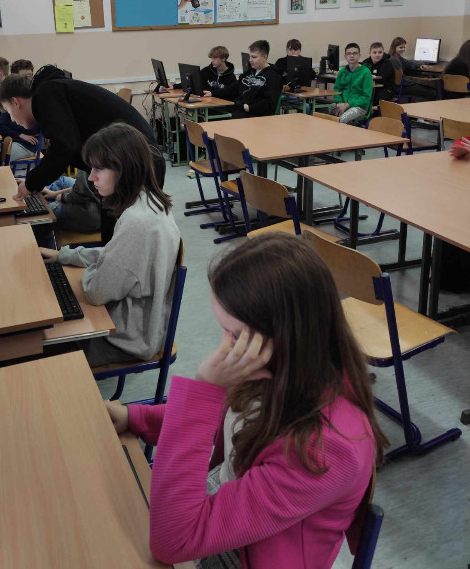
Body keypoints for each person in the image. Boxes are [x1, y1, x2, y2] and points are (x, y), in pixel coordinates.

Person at [105, 233, 386, 569]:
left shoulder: (326, 447)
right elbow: (222, 419)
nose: (226, 347)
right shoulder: (278, 369)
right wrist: (135, 417)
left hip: (252, 555)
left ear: (287, 337)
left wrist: (203, 388)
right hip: (226, 500)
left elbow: (174, 541)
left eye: (235, 335)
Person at [40, 123, 180, 365]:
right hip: (133, 325)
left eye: (99, 169)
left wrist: (90, 271)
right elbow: (115, 255)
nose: (91, 177)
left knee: (31, 346)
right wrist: (64, 256)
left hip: (125, 340)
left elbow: (96, 292)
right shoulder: (150, 202)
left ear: (124, 169)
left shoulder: (137, 222)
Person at [0, 65, 164, 242]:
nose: (12, 119)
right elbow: (70, 147)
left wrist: (31, 183)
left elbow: (63, 150)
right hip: (132, 159)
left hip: (138, 161)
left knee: (124, 237)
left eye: (9, 112)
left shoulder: (46, 94)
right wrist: (38, 183)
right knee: (116, 234)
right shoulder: (52, 91)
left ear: (16, 102)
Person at [206, 40, 282, 118]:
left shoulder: (274, 77)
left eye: (254, 57)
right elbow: (233, 88)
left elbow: (269, 104)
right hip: (240, 110)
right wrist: (213, 93)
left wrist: (247, 107)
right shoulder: (249, 72)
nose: (250, 60)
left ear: (264, 57)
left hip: (255, 116)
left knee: (217, 118)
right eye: (250, 56)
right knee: (211, 111)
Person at [0, 56, 40, 162]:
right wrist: (19, 133)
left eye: (30, 76)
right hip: (14, 140)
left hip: (25, 145)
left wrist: (15, 129)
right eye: (24, 77)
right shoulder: (11, 99)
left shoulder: (35, 100)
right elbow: (3, 126)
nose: (28, 81)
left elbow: (33, 130)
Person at [43, 169, 100, 233]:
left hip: (94, 213)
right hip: (93, 197)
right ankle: (42, 195)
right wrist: (54, 194)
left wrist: (63, 197)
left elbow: (81, 193)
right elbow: (83, 187)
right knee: (64, 181)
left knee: (44, 214)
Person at [327, 43, 373, 124]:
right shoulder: (342, 72)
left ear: (359, 56)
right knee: (327, 113)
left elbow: (366, 98)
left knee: (342, 119)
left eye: (355, 53)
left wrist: (347, 105)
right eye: (349, 53)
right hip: (343, 103)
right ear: (345, 56)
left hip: (359, 107)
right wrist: (340, 103)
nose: (352, 56)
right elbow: (337, 90)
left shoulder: (366, 72)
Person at [387, 37, 437, 101]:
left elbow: (409, 63)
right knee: (432, 92)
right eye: (401, 47)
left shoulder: (398, 58)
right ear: (394, 47)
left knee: (430, 89)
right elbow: (400, 80)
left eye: (404, 47)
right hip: (398, 88)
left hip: (400, 86)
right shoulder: (394, 60)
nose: (403, 49)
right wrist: (414, 82)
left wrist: (420, 65)